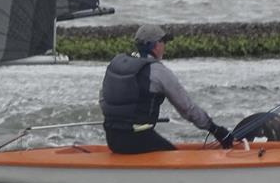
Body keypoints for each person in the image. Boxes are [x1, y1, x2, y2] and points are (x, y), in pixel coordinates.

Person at [99, 24, 233, 154]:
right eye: (164, 42)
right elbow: (187, 108)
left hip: (112, 139)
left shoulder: (116, 63)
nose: (165, 47)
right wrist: (216, 130)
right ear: (156, 45)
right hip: (139, 140)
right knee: (175, 160)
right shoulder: (158, 71)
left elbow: (104, 99)